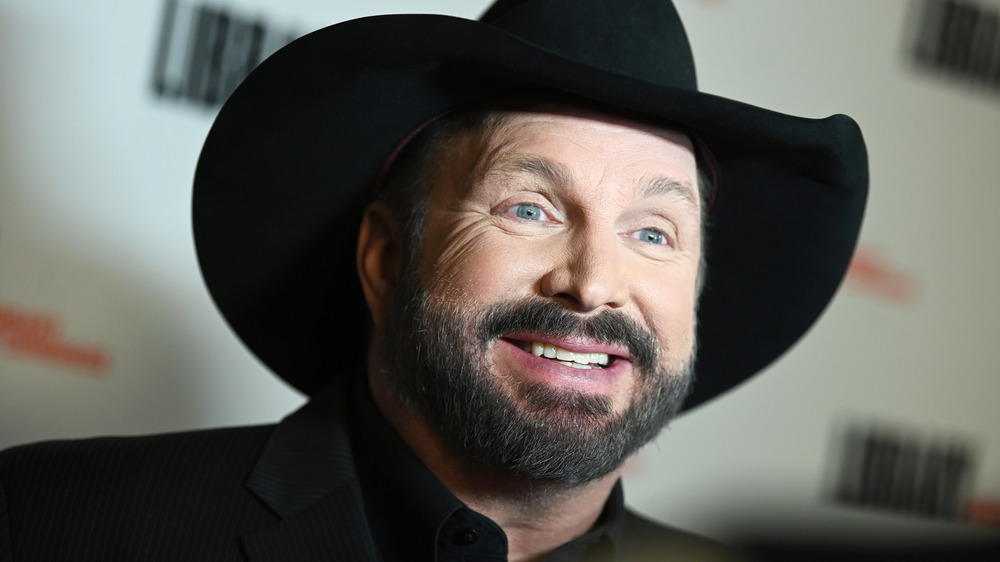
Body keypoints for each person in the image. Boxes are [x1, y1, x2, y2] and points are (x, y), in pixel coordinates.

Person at [0, 0, 867, 560]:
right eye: (529, 209)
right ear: (384, 260)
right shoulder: (49, 526)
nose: (595, 283)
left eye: (653, 232)